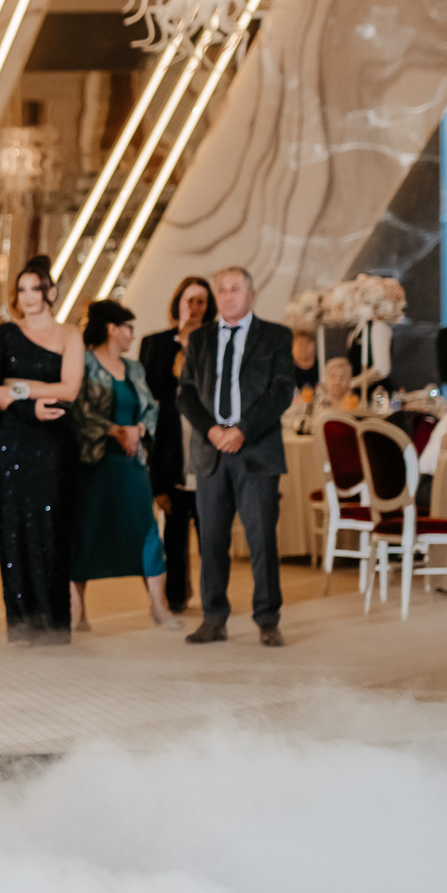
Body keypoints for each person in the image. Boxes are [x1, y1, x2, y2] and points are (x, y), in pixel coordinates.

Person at [177, 266, 295, 647]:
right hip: (210, 450)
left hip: (256, 450)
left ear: (251, 294)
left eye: (235, 289)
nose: (228, 296)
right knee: (211, 539)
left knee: (262, 539)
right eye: (222, 290)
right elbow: (186, 393)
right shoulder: (200, 339)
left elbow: (282, 390)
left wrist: (243, 429)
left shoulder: (277, 336)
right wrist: (211, 430)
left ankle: (268, 619)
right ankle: (213, 619)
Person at [0, 258, 82, 645]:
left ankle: (54, 626)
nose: (28, 297)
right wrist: (30, 402)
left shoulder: (69, 334)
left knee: (52, 528)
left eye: (35, 289)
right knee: (14, 530)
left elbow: (70, 389)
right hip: (12, 440)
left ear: (50, 292)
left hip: (55, 441)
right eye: (21, 290)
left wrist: (19, 389)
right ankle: (21, 625)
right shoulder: (4, 334)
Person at [71, 301, 178, 631]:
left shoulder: (134, 368)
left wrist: (138, 430)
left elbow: (151, 409)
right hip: (94, 463)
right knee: (86, 532)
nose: (133, 334)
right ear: (112, 329)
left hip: (132, 464)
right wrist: (115, 430)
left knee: (146, 531)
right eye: (128, 327)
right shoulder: (83, 362)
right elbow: (78, 409)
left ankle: (159, 607)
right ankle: (78, 612)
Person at [139, 276, 214, 614]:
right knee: (174, 527)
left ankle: (213, 594)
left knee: (211, 529)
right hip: (171, 444)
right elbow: (149, 394)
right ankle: (176, 596)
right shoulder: (156, 343)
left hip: (207, 443)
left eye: (201, 302)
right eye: (189, 301)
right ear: (178, 303)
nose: (195, 308)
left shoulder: (218, 343)